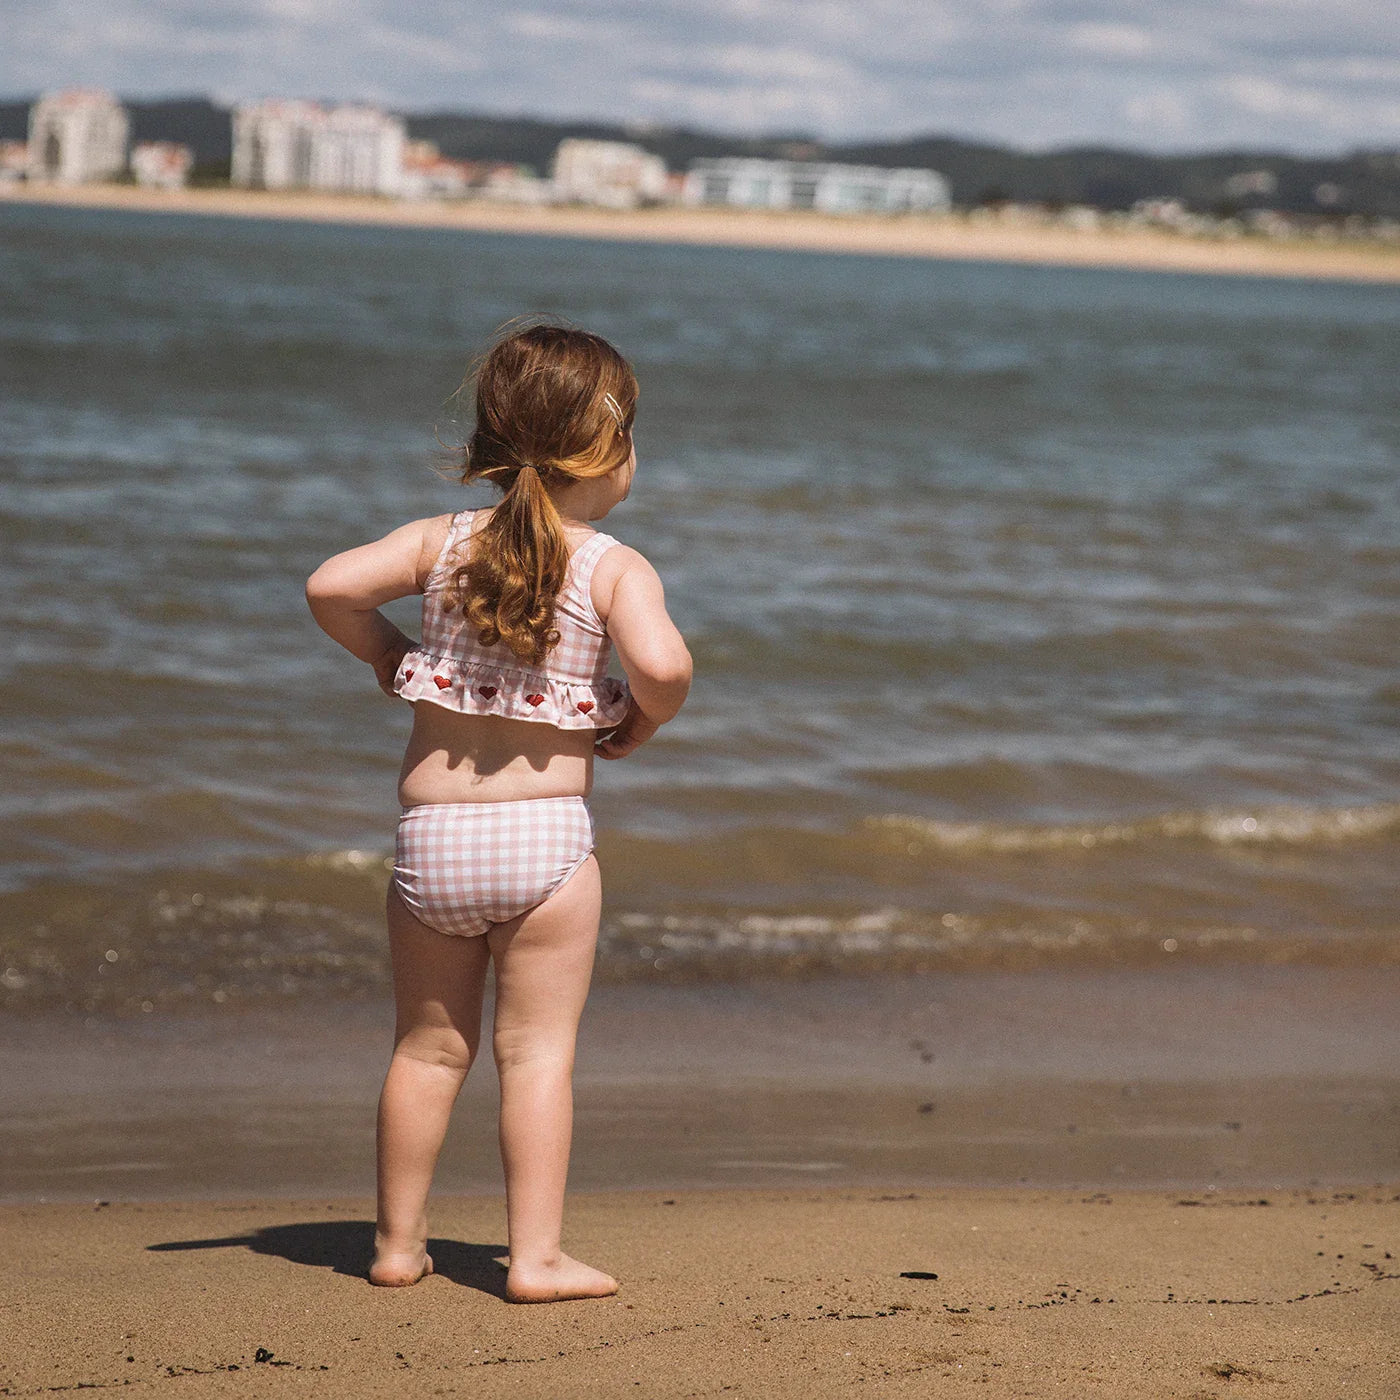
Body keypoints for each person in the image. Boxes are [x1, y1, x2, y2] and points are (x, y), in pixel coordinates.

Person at [305, 323, 692, 1303]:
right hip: (545, 845)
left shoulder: (440, 542)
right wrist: (639, 721)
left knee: (425, 1047)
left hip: (430, 841)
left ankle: (395, 1244)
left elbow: (330, 586)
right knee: (536, 1051)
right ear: (604, 445)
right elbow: (664, 666)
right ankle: (535, 1256)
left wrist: (391, 655)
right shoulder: (610, 564)